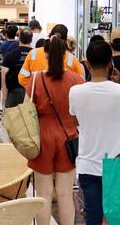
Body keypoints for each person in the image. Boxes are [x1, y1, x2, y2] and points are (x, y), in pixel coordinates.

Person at [70, 40, 120, 225]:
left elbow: (75, 121)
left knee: (92, 214)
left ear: (87, 63)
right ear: (110, 63)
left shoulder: (75, 92)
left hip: (87, 163)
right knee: (115, 214)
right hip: (116, 162)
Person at [26, 36, 85, 225]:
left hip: (42, 139)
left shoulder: (36, 78)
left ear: (45, 54)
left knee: (42, 193)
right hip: (68, 138)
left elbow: (27, 110)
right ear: (65, 54)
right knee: (65, 193)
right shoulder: (77, 80)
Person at [18, 24, 85, 88]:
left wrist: (35, 90)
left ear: (50, 36)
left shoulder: (33, 53)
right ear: (65, 40)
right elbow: (80, 82)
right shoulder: (71, 59)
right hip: (62, 98)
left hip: (38, 98)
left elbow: (22, 78)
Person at [1, 29, 33, 108]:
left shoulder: (9, 55)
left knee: (12, 119)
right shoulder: (36, 56)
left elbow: (3, 76)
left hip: (13, 93)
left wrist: (4, 97)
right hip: (31, 93)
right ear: (31, 40)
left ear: (19, 38)